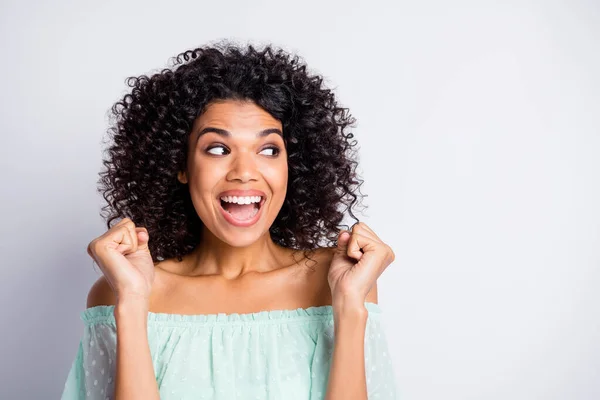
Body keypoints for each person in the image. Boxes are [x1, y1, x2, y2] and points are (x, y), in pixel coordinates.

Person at [60, 40, 398, 400]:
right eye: (218, 149)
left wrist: (348, 307)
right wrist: (130, 303)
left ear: (290, 166)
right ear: (182, 166)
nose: (244, 172)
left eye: (268, 149)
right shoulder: (121, 291)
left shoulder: (341, 282)